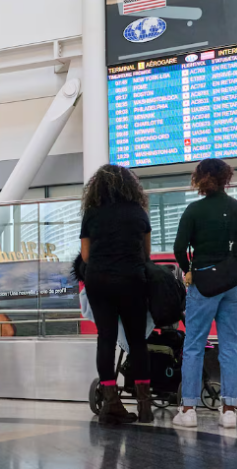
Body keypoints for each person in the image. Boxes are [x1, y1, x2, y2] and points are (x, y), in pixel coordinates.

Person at [172, 158, 237, 430]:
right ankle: (229, 411)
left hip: (204, 282)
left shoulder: (194, 210)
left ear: (200, 179)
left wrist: (190, 269)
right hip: (235, 280)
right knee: (231, 343)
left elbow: (179, 248)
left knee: (194, 344)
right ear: (226, 178)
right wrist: (231, 261)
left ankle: (188, 410)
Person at [80, 164, 153, 425]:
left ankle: (111, 403)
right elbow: (146, 255)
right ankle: (145, 407)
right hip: (132, 280)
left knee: (106, 338)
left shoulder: (92, 213)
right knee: (137, 341)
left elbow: (86, 256)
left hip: (98, 281)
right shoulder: (138, 213)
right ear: (129, 186)